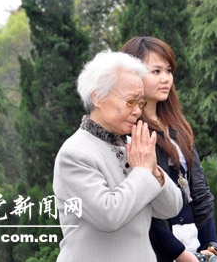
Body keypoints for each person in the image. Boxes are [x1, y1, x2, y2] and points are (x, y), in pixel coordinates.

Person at [53, 51, 183, 262]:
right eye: (130, 102)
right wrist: (142, 171)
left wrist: (154, 171)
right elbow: (108, 216)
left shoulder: (132, 147)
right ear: (98, 98)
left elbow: (171, 208)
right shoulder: (74, 153)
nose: (137, 112)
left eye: (140, 103)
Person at [122, 37, 217, 262]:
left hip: (197, 245)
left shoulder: (177, 126)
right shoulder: (130, 133)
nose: (165, 78)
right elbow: (144, 210)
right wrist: (183, 256)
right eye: (155, 71)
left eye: (168, 70)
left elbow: (200, 192)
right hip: (162, 253)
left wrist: (211, 245)